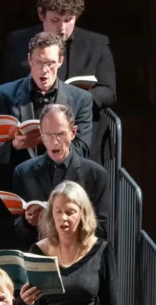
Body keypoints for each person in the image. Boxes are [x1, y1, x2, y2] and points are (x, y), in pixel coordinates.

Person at [0, 31, 93, 216]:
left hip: (62, 196)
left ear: (60, 61)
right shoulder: (4, 94)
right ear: (29, 59)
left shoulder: (81, 99)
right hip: (15, 195)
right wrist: (15, 145)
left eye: (50, 64)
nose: (44, 70)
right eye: (39, 62)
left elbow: (82, 150)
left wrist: (52, 141)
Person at [0, 0, 116, 118]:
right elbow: (5, 86)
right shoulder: (17, 41)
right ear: (41, 14)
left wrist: (75, 101)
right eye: (55, 20)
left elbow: (108, 91)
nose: (62, 28)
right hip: (32, 119)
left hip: (81, 120)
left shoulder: (96, 44)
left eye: (68, 20)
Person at [10, 103, 110, 248]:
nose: (54, 141)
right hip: (38, 256)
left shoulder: (95, 174)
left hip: (78, 258)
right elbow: (17, 231)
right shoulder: (23, 172)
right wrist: (27, 222)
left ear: (73, 133)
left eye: (61, 134)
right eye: (49, 135)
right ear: (41, 134)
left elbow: (101, 230)